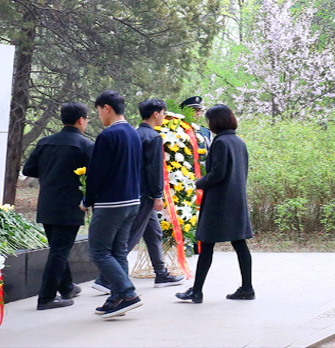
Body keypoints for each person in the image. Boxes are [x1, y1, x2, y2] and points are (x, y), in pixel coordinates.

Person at [176, 105, 255, 304]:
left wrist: (197, 183)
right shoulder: (239, 141)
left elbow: (218, 174)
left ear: (216, 121)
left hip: (219, 202)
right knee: (240, 244)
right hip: (236, 200)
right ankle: (247, 288)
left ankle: (196, 291)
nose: (208, 124)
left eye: (210, 120)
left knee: (206, 245)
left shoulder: (220, 142)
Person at [21, 102, 93, 310]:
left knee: (58, 248)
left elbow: (28, 169)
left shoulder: (45, 142)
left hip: (47, 204)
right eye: (87, 119)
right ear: (81, 120)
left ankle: (67, 287)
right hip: (70, 205)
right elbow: (94, 175)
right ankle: (46, 298)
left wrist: (50, 172)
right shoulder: (85, 145)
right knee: (60, 251)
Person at [82, 90, 144, 318]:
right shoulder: (133, 133)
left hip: (112, 203)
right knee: (118, 252)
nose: (99, 116)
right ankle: (117, 298)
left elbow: (96, 174)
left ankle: (127, 293)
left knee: (98, 251)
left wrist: (87, 200)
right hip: (132, 200)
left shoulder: (108, 135)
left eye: (99, 111)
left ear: (107, 108)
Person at [115, 99, 182, 289]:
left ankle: (161, 273)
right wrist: (157, 195)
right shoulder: (153, 137)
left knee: (154, 232)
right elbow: (154, 169)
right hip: (145, 194)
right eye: (163, 113)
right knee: (132, 235)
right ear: (155, 113)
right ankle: (107, 277)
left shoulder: (135, 134)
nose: (163, 117)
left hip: (133, 191)